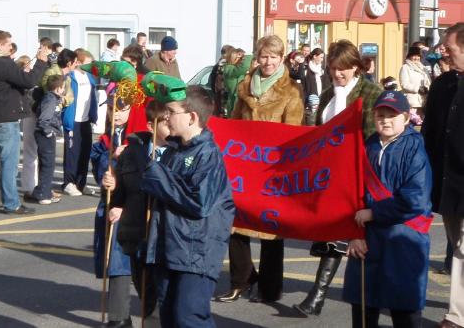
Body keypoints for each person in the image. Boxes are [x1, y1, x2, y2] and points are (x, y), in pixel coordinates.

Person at [294, 39, 382, 317]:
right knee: (336, 234)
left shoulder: (370, 92)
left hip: (359, 174)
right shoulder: (329, 93)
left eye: (344, 68)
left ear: (356, 66)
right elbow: (317, 129)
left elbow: (373, 135)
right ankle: (317, 297)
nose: (339, 74)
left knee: (352, 235)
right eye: (334, 69)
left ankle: (322, 297)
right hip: (330, 174)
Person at [218, 35, 304, 304]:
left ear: (281, 59)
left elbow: (293, 133)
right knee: (236, 223)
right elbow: (234, 124)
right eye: (264, 56)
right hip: (245, 165)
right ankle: (241, 280)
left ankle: (269, 286)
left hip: (273, 167)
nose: (267, 62)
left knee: (271, 228)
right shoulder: (245, 85)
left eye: (273, 57)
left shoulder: (291, 91)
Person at [141, 85, 235, 327]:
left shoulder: (208, 154)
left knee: (189, 316)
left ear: (192, 117)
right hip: (168, 247)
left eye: (171, 112)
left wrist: (157, 177)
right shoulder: (174, 151)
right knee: (170, 316)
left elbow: (199, 203)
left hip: (195, 251)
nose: (166, 117)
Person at [344, 90, 432, 328]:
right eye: (380, 114)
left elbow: (416, 199)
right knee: (364, 308)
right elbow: (352, 194)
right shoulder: (368, 146)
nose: (385, 120)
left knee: (404, 311)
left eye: (392, 115)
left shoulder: (414, 149)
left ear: (405, 118)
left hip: (403, 239)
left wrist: (374, 213)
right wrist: (354, 234)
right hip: (368, 239)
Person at [99, 100, 168, 327]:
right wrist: (111, 185)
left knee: (157, 292)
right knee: (142, 283)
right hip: (135, 228)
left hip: (164, 232)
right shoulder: (133, 152)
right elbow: (119, 194)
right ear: (151, 126)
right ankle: (120, 317)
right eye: (166, 122)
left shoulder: (178, 154)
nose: (172, 126)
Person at [0, 30, 48, 214]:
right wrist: (41, 62)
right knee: (8, 163)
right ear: (0, 45)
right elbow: (29, 80)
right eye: (8, 45)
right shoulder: (4, 64)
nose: (10, 48)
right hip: (5, 119)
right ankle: (11, 203)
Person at [422, 22, 464, 328]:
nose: (443, 53)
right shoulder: (443, 84)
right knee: (457, 246)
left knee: (462, 250)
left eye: (448, 48)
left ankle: (456, 316)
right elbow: (429, 133)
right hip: (448, 183)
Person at [91, 92, 133, 327]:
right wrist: (106, 172)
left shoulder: (138, 137)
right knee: (113, 258)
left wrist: (121, 163)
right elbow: (98, 168)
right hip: (109, 203)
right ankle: (120, 315)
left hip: (130, 204)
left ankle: (121, 316)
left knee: (122, 259)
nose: (116, 114)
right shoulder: (106, 140)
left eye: (122, 109)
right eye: (111, 109)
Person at [61, 49, 98, 197]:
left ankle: (81, 183)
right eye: (88, 64)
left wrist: (93, 116)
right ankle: (68, 183)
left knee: (85, 152)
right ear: (79, 63)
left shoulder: (89, 78)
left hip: (85, 120)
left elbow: (93, 98)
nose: (90, 67)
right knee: (72, 153)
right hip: (72, 120)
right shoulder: (70, 77)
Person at [23, 75, 64, 205]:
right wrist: (48, 132)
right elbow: (44, 119)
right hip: (45, 134)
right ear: (58, 88)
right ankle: (43, 194)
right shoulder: (50, 100)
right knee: (48, 164)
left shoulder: (51, 98)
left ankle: (41, 190)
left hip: (44, 133)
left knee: (45, 163)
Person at [399, 46, 431, 122]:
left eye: (418, 56)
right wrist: (418, 88)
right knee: (412, 122)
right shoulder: (405, 67)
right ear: (410, 56)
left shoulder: (423, 68)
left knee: (422, 123)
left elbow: (428, 81)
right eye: (414, 55)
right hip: (412, 101)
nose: (416, 58)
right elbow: (404, 84)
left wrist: (426, 88)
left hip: (423, 100)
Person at [304, 48, 331, 126]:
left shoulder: (322, 70)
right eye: (321, 57)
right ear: (315, 56)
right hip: (309, 105)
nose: (322, 60)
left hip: (321, 103)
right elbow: (304, 87)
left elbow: (327, 86)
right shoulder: (306, 70)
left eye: (323, 57)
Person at [223, 48, 252, 118]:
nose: (241, 60)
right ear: (233, 58)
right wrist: (247, 55)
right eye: (239, 58)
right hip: (234, 105)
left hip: (239, 104)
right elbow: (244, 66)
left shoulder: (235, 69)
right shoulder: (229, 69)